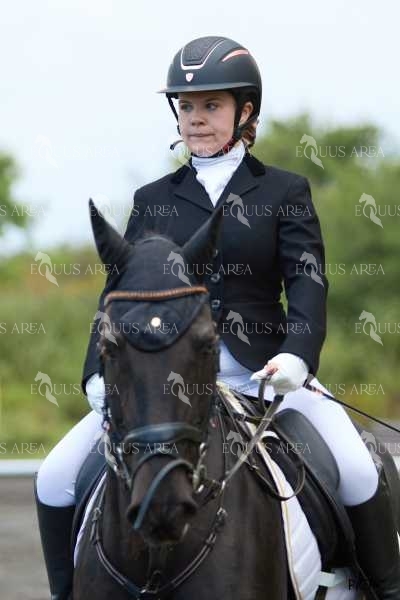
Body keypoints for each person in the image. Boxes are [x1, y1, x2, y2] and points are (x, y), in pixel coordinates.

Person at [35, 36, 400, 599]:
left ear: (245, 111)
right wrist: (97, 377)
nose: (197, 118)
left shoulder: (283, 190)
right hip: (165, 384)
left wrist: (297, 358)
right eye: (186, 106)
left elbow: (308, 284)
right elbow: (116, 295)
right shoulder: (153, 198)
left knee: (356, 468)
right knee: (54, 476)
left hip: (268, 377)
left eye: (211, 105)